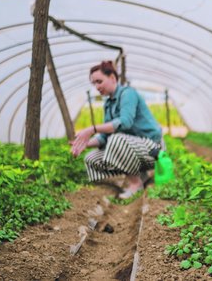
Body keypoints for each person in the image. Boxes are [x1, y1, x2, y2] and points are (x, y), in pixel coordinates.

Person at [70, 60, 163, 199]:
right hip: (132, 149)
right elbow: (103, 137)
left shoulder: (128, 94)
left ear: (112, 78)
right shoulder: (108, 103)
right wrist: (85, 143)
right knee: (92, 158)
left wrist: (92, 129)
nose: (96, 86)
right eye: (94, 83)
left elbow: (125, 123)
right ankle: (126, 181)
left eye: (99, 81)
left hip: (152, 148)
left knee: (116, 139)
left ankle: (135, 183)